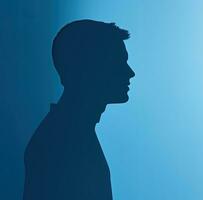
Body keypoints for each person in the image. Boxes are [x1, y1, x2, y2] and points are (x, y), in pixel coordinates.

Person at [23, 19, 135, 200]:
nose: (130, 72)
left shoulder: (69, 134)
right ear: (91, 68)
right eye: (118, 62)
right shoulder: (61, 144)